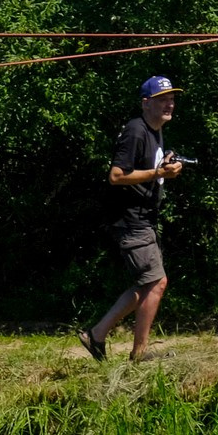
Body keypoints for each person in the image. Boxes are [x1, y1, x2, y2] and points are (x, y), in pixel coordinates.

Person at [83, 77, 186, 363]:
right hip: (131, 221)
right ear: (146, 102)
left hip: (143, 219)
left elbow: (147, 169)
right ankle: (137, 353)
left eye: (172, 98)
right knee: (157, 283)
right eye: (162, 98)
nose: (170, 103)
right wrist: (158, 174)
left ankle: (97, 334)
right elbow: (116, 176)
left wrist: (164, 165)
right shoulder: (135, 131)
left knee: (147, 283)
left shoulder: (155, 131)